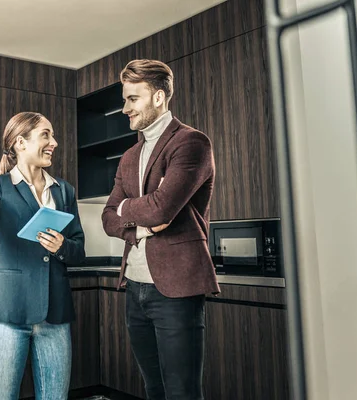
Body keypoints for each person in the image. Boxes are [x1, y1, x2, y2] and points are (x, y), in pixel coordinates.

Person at [101, 59, 220, 400]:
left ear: (157, 97)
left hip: (176, 290)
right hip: (135, 288)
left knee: (181, 392)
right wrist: (140, 226)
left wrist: (133, 207)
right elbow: (109, 216)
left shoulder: (191, 143)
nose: (125, 109)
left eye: (132, 99)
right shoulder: (129, 156)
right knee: (152, 388)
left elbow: (163, 208)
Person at [0, 111, 85, 400]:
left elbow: (79, 249)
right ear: (20, 142)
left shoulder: (63, 191)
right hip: (8, 312)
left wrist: (61, 246)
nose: (54, 142)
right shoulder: (0, 185)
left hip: (55, 314)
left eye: (53, 135)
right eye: (46, 135)